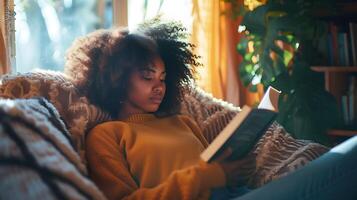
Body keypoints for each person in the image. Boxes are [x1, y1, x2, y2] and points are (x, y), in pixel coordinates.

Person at [65, 19, 357, 200]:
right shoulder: (106, 135)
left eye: (163, 78)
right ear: (115, 78)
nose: (159, 86)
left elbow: (218, 173)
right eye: (147, 76)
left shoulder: (182, 122)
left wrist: (234, 168)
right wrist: (209, 176)